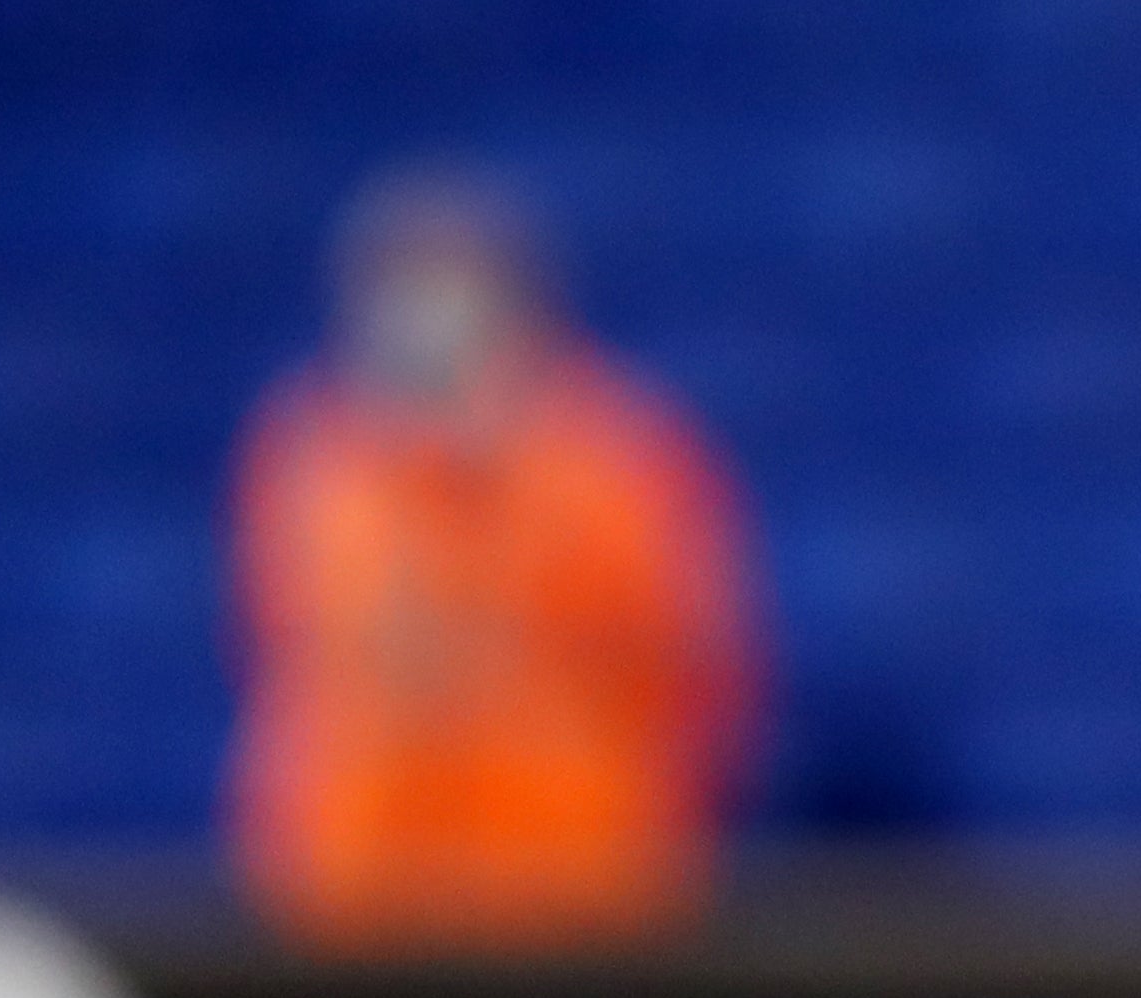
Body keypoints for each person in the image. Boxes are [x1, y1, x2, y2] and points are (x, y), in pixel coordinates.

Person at [228, 169, 759, 954]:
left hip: (573, 892)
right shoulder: (309, 460)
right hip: (355, 895)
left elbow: (696, 673)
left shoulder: (620, 459)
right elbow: (292, 659)